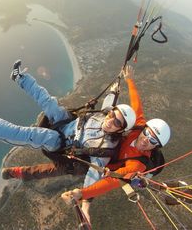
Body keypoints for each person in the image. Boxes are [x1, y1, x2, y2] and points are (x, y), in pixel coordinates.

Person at [0, 59, 136, 190]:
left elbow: (94, 175)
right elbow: (109, 103)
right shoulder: (105, 115)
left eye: (116, 121)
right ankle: (20, 78)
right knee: (50, 103)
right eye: (112, 115)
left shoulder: (105, 149)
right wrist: (118, 86)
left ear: (121, 130)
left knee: (38, 135)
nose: (110, 119)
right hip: (68, 122)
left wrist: (84, 196)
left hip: (62, 145)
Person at [61, 66, 171, 223]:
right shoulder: (139, 125)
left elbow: (112, 181)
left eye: (153, 140)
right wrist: (130, 79)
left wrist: (82, 194)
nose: (146, 139)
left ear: (156, 146)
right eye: (147, 133)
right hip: (113, 154)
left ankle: (87, 208)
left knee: (114, 175)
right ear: (145, 129)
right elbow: (136, 103)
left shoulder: (137, 164)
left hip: (119, 167)